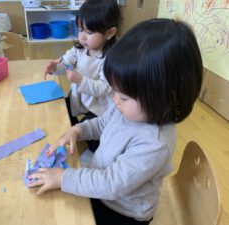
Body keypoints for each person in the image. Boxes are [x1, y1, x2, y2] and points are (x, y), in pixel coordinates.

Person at [28, 18, 203, 225]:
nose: (114, 99)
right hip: (105, 188)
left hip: (123, 211)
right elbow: (102, 124)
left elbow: (111, 184)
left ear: (165, 97)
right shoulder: (132, 108)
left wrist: (64, 178)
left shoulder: (154, 144)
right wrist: (78, 130)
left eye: (124, 97)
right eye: (116, 91)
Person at [43, 0, 121, 152]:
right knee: (62, 109)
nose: (83, 37)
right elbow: (64, 64)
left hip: (99, 109)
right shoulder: (79, 50)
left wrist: (80, 80)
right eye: (80, 30)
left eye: (89, 32)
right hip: (80, 100)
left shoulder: (110, 59)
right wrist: (54, 68)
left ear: (110, 33)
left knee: (93, 146)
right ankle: (69, 134)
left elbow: (104, 88)